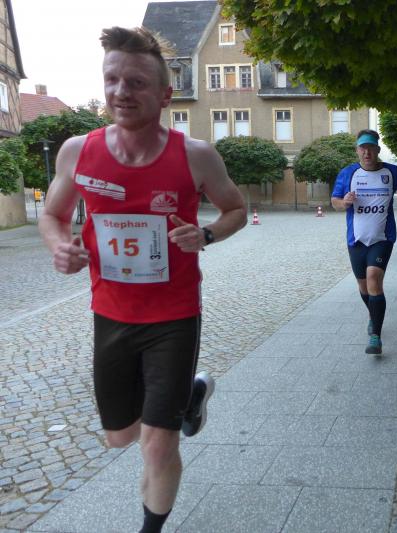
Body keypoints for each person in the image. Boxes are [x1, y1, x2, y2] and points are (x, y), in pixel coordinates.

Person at [38, 27, 246, 533]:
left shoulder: (196, 155)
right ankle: (189, 396)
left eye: (136, 82)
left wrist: (206, 234)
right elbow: (52, 215)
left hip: (174, 315)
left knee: (157, 444)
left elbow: (236, 210)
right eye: (111, 80)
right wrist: (60, 247)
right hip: (110, 313)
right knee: (122, 437)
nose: (120, 92)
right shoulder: (77, 152)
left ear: (165, 94)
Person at [331, 129, 397, 355]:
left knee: (374, 278)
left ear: (377, 150)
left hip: (382, 238)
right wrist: (344, 202)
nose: (367, 153)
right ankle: (373, 314)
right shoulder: (348, 173)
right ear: (357, 151)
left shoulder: (392, 171)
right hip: (355, 239)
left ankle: (376, 336)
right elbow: (334, 201)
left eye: (371, 148)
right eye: (362, 148)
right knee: (363, 286)